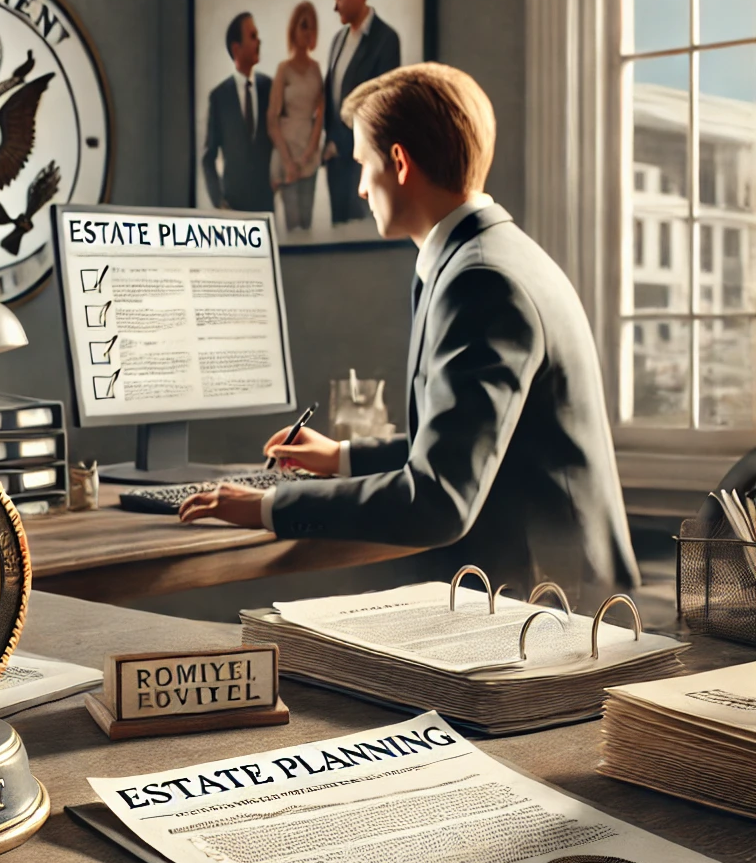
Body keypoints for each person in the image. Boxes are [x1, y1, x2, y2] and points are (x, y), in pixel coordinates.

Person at [180, 62, 640, 600]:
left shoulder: (481, 279)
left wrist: (267, 506)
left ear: (398, 163)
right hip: (545, 595)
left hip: (556, 617)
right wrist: (342, 457)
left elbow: (438, 499)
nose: (358, 188)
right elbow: (465, 443)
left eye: (362, 164)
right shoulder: (487, 256)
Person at [323, 0, 400, 226]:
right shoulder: (337, 41)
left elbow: (380, 109)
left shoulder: (386, 40)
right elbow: (330, 99)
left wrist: (340, 145)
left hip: (363, 166)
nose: (335, 5)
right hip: (334, 167)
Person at [201, 12, 274, 212]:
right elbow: (208, 157)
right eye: (252, 36)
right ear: (236, 48)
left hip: (266, 207)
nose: (259, 41)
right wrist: (219, 202)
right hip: (233, 207)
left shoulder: (270, 87)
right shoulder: (219, 97)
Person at [268, 1, 324, 232]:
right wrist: (288, 161)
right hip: (287, 153)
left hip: (308, 157)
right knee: (293, 226)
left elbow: (320, 115)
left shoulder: (316, 69)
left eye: (311, 27)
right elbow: (272, 119)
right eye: (303, 25)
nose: (307, 32)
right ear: (293, 29)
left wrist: (310, 151)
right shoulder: (284, 69)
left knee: (307, 224)